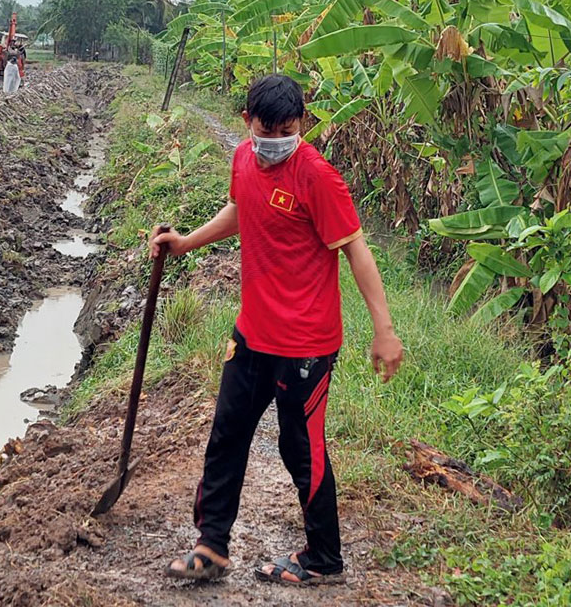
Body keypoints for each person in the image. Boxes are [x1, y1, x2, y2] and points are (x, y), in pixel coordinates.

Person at [151, 74, 404, 586]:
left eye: (288, 132)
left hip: (306, 346)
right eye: (267, 132)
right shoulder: (243, 159)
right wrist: (186, 242)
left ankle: (324, 560)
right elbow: (241, 209)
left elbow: (356, 249)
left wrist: (385, 330)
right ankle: (211, 546)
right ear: (248, 122)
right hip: (252, 334)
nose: (277, 143)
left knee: (300, 450)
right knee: (226, 436)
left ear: (301, 123)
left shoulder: (317, 176)